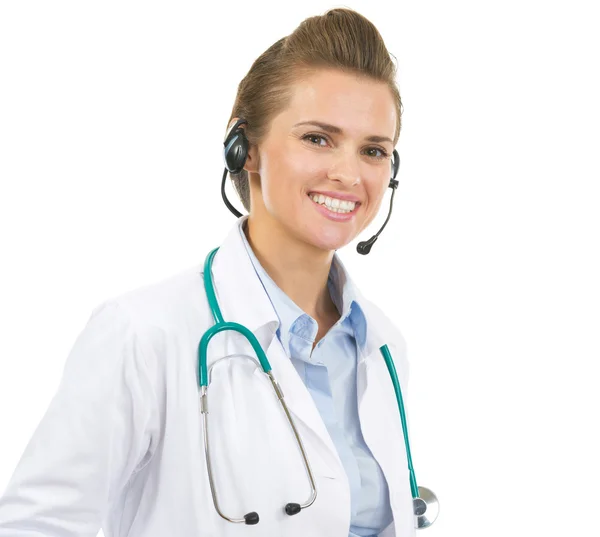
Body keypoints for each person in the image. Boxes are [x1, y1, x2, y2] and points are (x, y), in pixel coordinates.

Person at [0, 7, 416, 537]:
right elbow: (35, 525)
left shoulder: (381, 347)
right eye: (318, 138)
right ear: (246, 149)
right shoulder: (145, 335)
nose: (349, 173)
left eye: (374, 150)